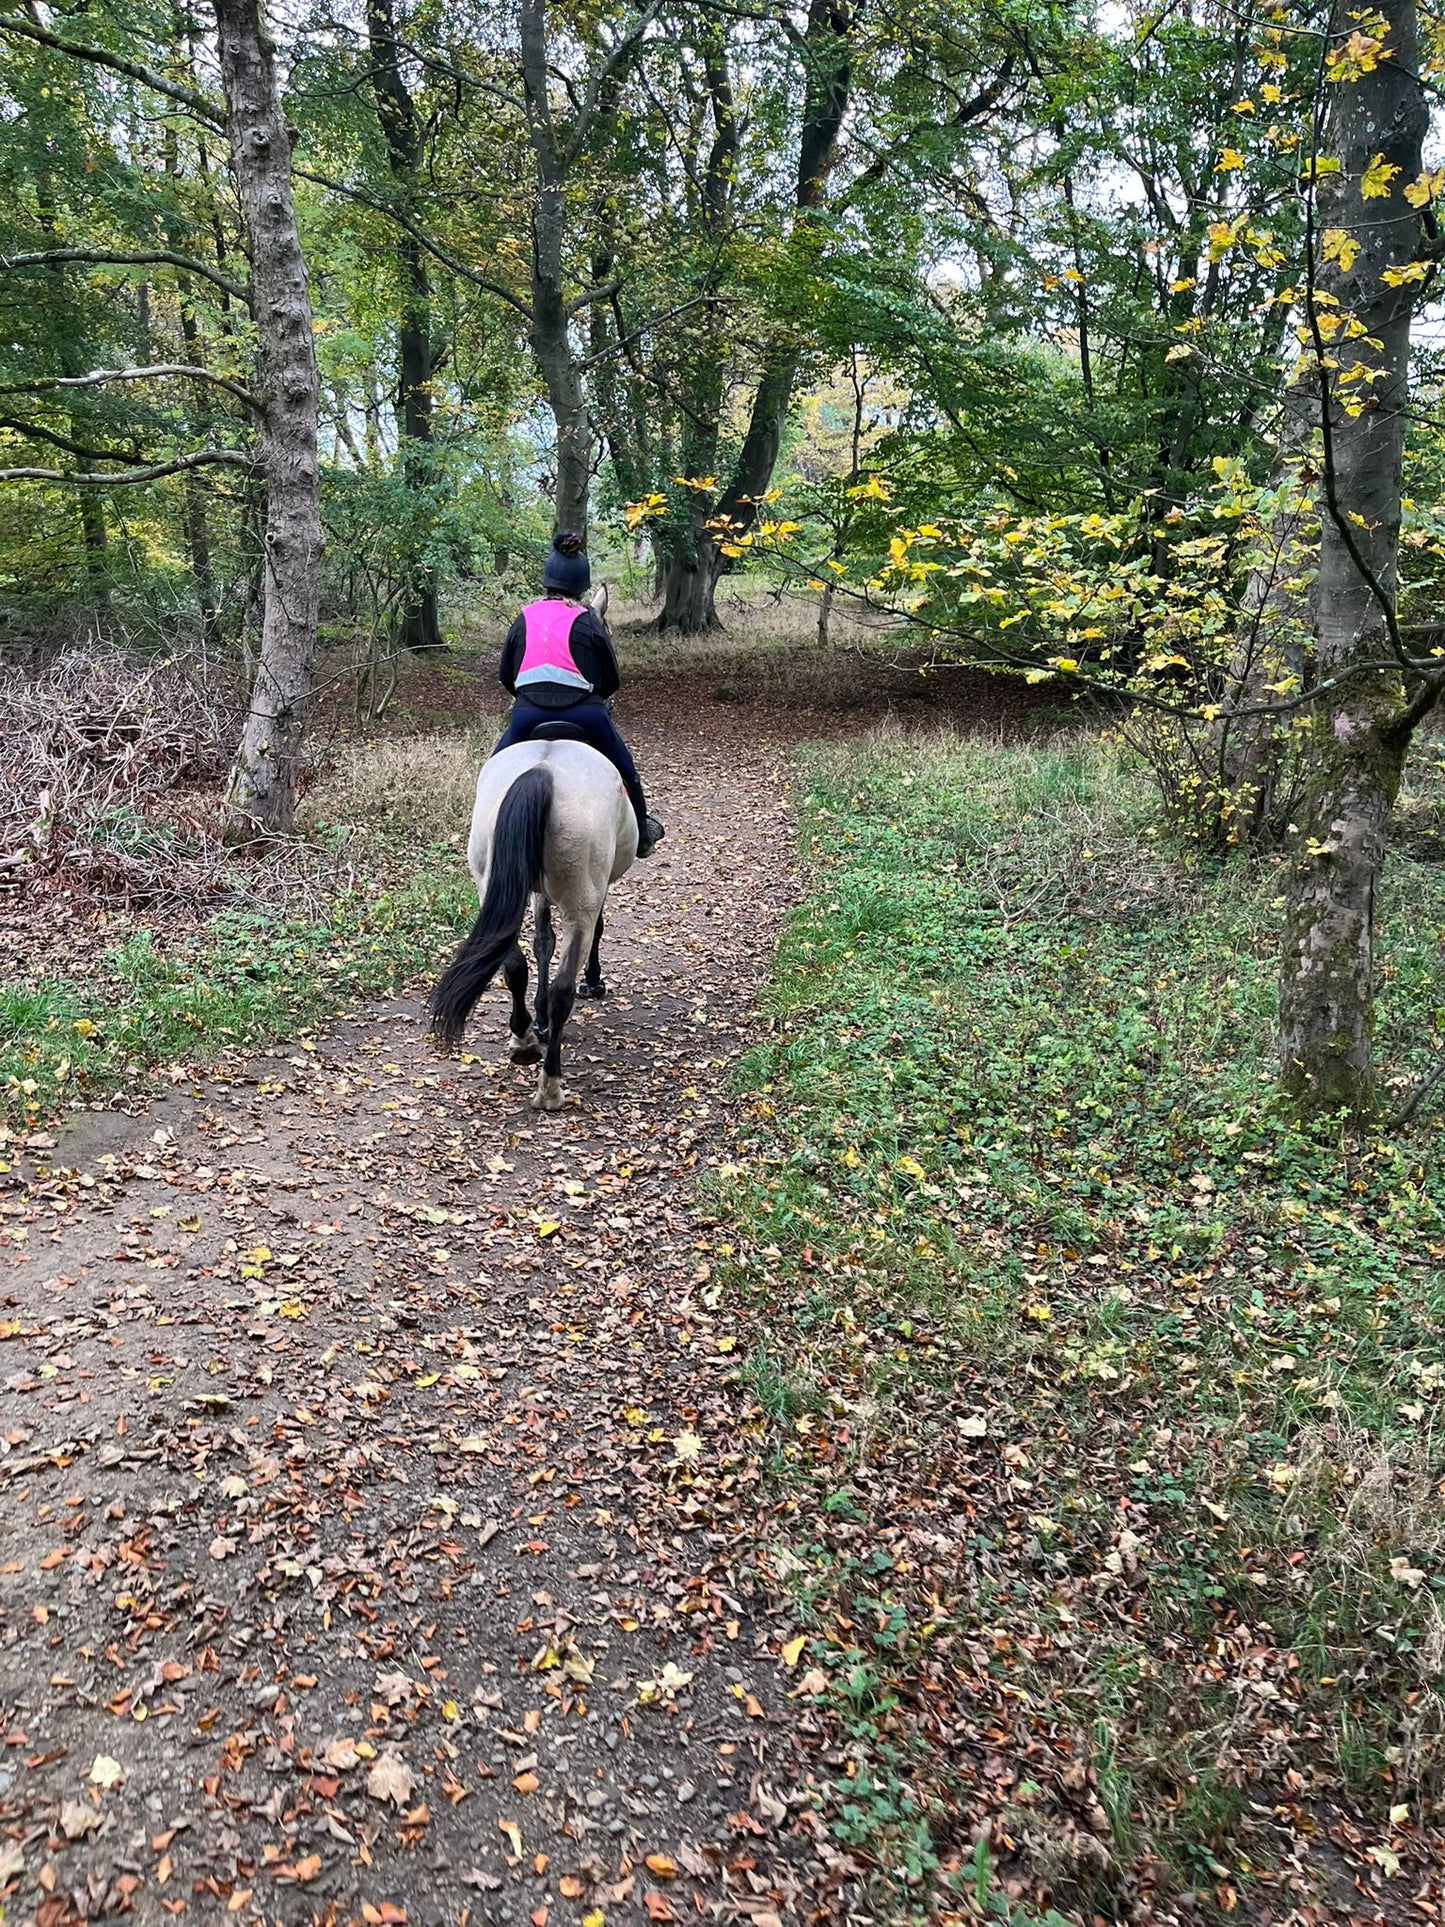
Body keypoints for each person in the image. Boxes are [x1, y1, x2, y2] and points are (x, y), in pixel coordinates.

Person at [492, 532, 664, 858]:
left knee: (493, 768)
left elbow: (506, 676)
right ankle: (642, 831)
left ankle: (483, 821)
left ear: (547, 581)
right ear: (582, 587)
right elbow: (611, 680)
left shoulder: (524, 618)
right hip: (585, 714)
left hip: (528, 715)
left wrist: (531, 696)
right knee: (624, 766)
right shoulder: (588, 620)